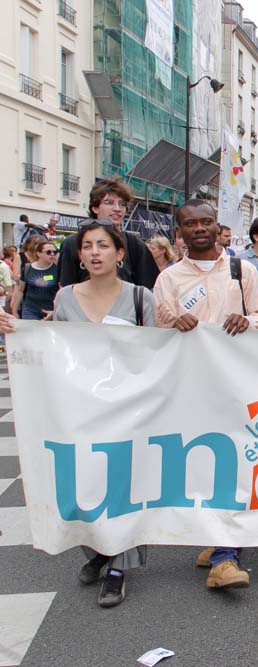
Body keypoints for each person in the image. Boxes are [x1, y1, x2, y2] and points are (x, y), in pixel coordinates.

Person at [0, 220, 157, 607]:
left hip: (127, 410)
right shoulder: (67, 297)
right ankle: (99, 551)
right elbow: (55, 346)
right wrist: (16, 328)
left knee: (122, 488)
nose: (94, 252)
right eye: (87, 246)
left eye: (103, 245)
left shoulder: (140, 298)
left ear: (120, 254)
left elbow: (157, 354)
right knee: (86, 486)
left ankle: (118, 567)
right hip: (81, 410)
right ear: (80, 256)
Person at [154, 200, 258, 590]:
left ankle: (224, 557)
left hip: (236, 387)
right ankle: (216, 537)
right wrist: (174, 323)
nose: (200, 229)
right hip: (190, 388)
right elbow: (155, 334)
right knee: (202, 463)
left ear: (217, 225)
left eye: (206, 221)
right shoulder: (169, 280)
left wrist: (251, 320)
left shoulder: (243, 271)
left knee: (233, 462)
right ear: (180, 231)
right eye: (191, 223)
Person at [58, 177, 159, 290]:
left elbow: (148, 288)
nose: (117, 209)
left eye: (122, 204)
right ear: (95, 208)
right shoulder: (72, 243)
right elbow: (66, 288)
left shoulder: (134, 244)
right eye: (109, 203)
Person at [12, 239, 58, 320]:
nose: (52, 254)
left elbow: (61, 291)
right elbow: (20, 290)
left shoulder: (57, 269)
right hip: (30, 309)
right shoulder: (28, 268)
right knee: (31, 332)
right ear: (38, 253)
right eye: (48, 252)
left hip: (50, 310)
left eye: (55, 252)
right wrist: (14, 311)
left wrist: (56, 310)